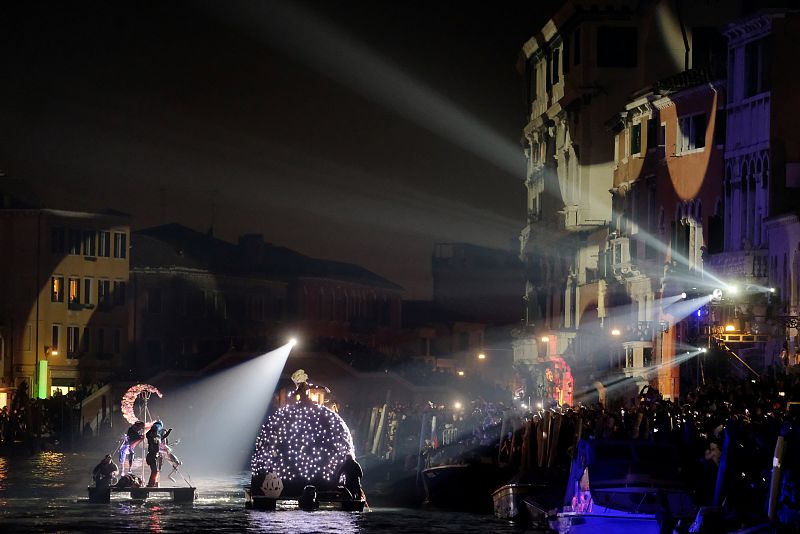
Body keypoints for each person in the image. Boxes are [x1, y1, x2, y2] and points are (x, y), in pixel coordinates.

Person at [145, 420, 172, 487]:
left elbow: (163, 437)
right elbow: (148, 435)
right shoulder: (151, 438)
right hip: (151, 456)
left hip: (154, 456)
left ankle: (151, 484)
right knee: (154, 471)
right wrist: (152, 430)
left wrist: (168, 432)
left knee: (155, 471)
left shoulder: (157, 438)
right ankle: (151, 484)